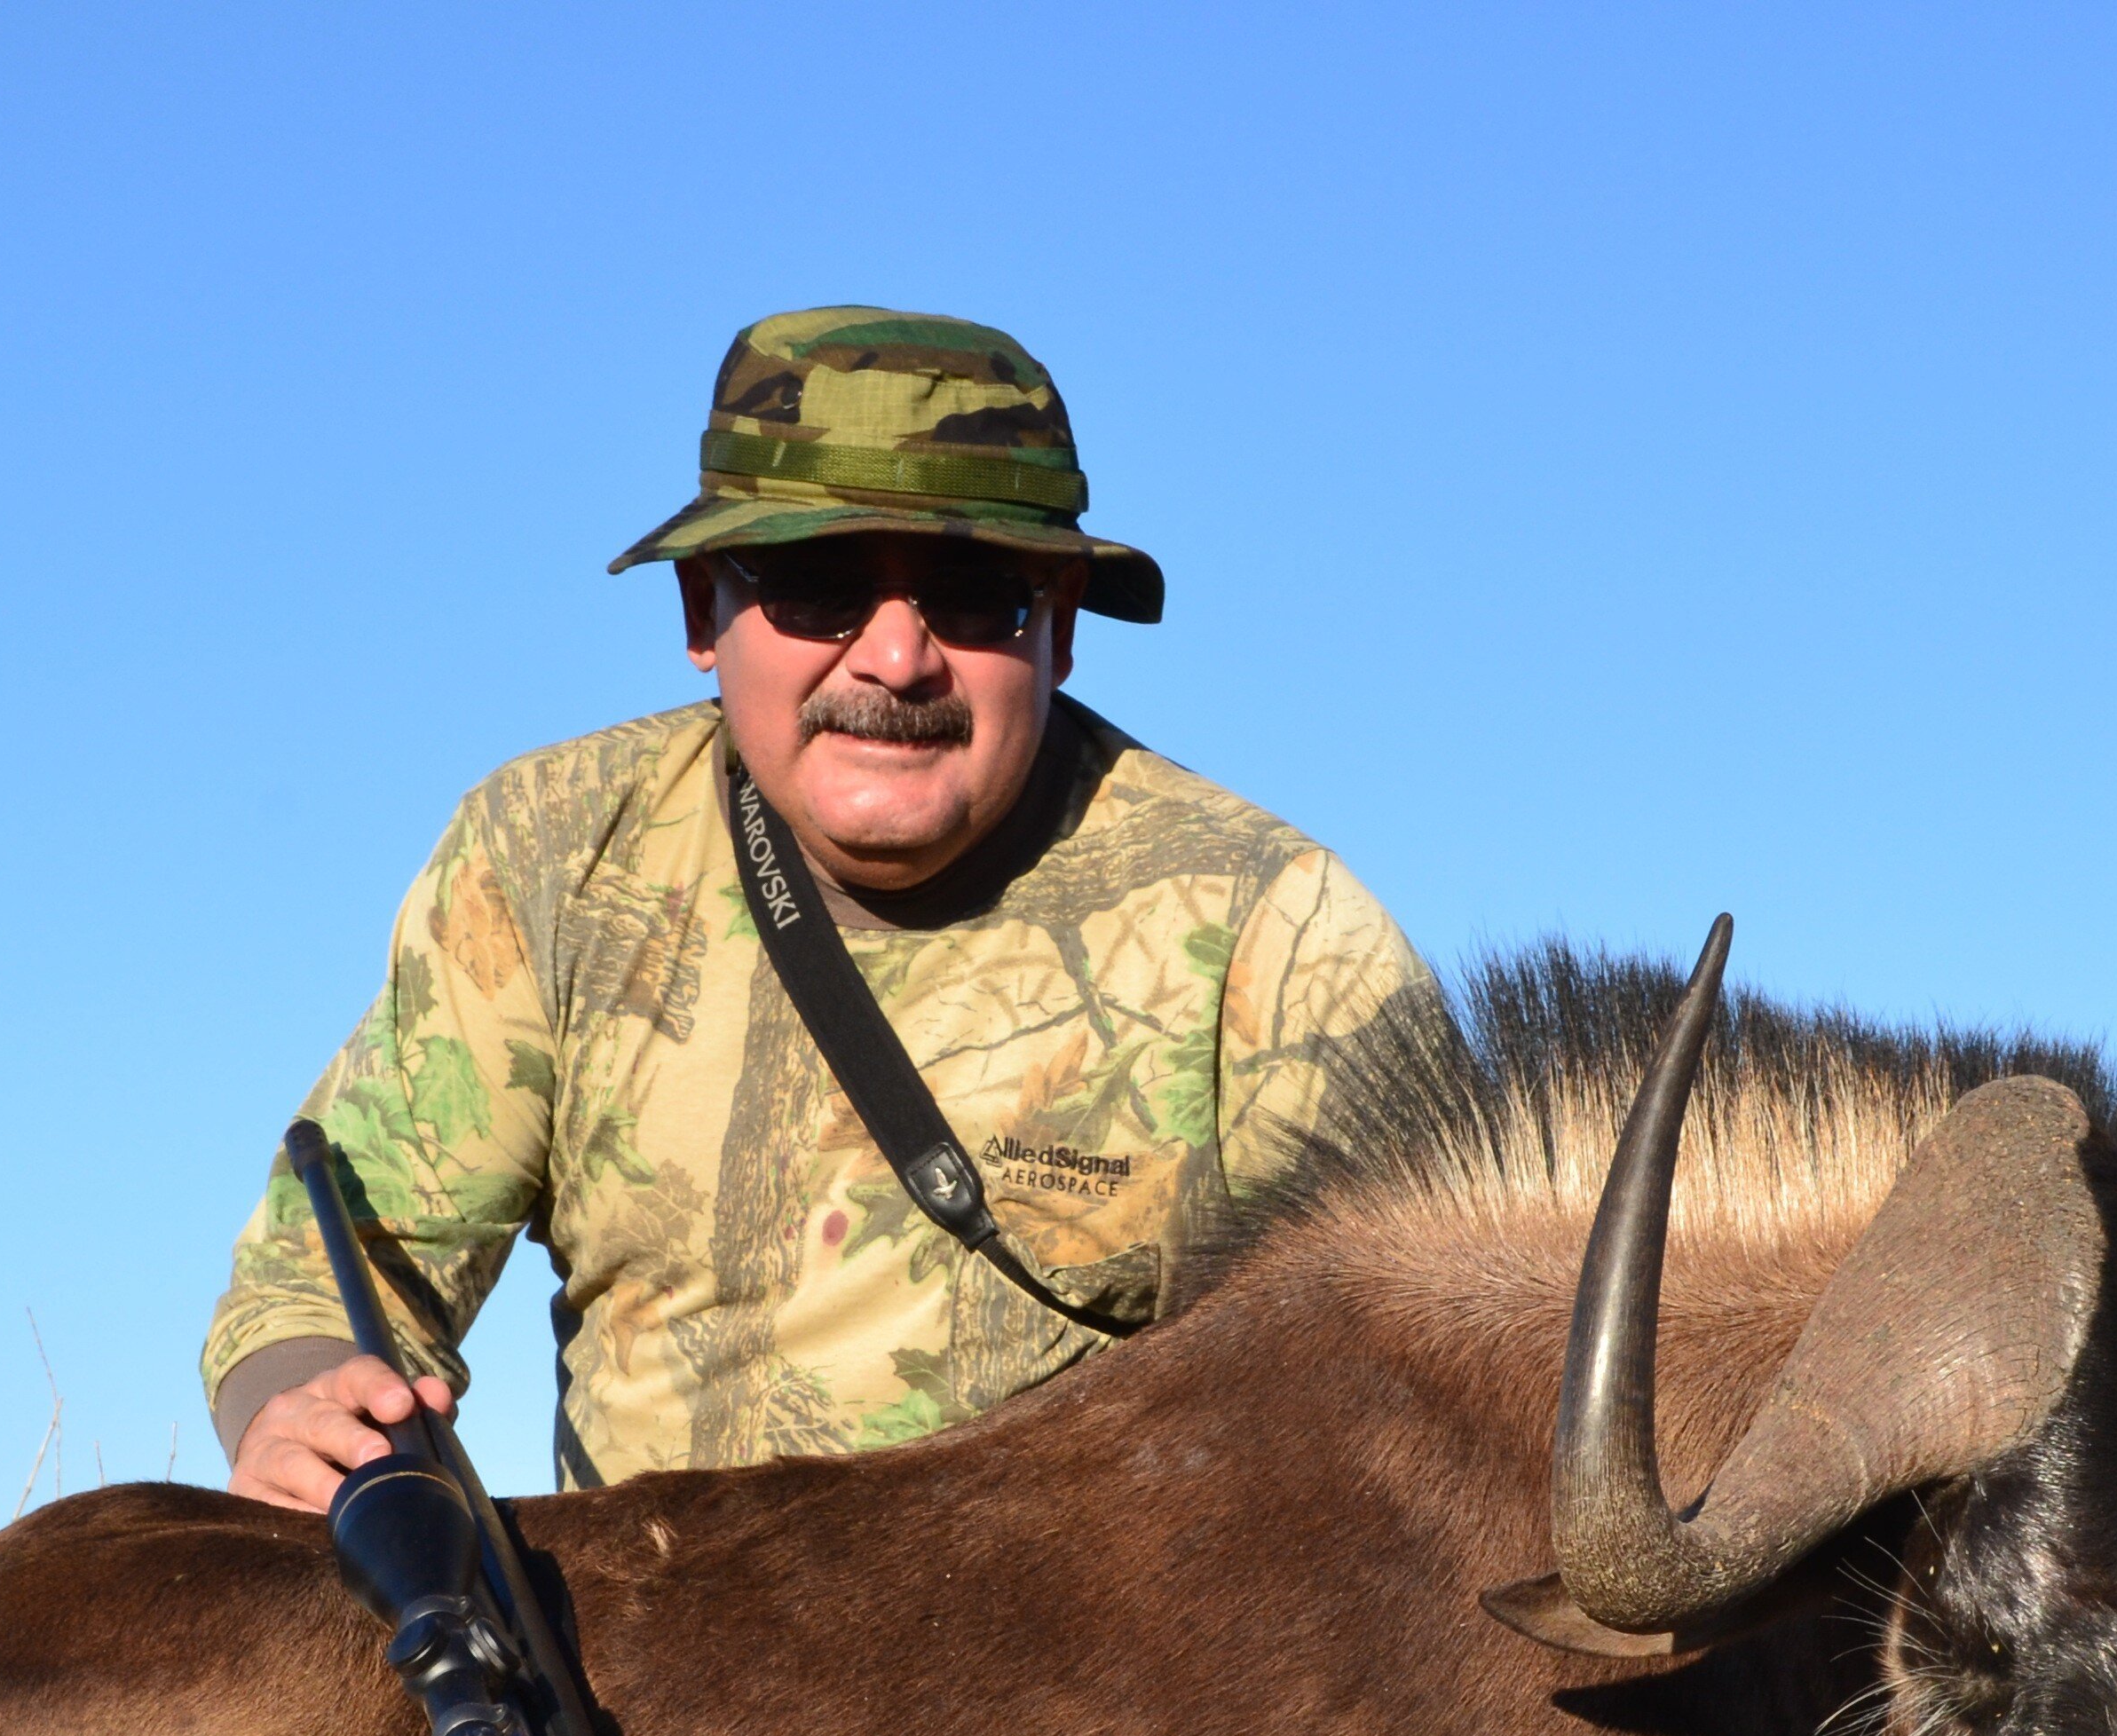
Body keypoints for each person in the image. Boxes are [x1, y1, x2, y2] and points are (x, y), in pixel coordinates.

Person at [208, 308, 1435, 1507]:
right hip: (630, 1679)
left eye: (975, 593)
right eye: (816, 586)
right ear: (703, 614)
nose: (896, 659)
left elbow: (1417, 1385)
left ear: (1060, 626)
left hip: (1102, 1693)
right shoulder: (547, 853)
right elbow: (337, 1274)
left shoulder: (1278, 932)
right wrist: (308, 1408)